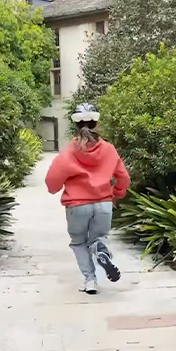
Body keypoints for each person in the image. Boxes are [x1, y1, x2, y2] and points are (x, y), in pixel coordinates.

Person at [44, 103, 128, 295]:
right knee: (99, 238)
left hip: (77, 205)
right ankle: (101, 251)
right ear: (96, 122)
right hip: (103, 203)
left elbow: (51, 184)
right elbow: (123, 177)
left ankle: (90, 280)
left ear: (75, 125)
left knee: (78, 242)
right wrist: (116, 193)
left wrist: (56, 188)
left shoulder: (69, 151)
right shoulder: (109, 149)